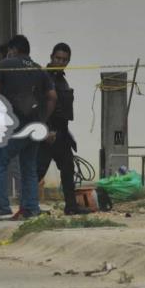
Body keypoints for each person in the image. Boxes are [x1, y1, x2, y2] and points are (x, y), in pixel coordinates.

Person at [0, 35, 56, 220]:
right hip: (35, 125)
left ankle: (2, 207)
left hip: (13, 124)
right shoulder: (39, 70)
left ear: (13, 49)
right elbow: (52, 96)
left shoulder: (6, 65)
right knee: (29, 167)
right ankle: (30, 208)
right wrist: (42, 119)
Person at [37, 43, 90, 215]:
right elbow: (38, 106)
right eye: (58, 58)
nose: (60, 62)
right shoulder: (43, 77)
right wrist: (45, 129)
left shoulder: (61, 79)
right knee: (38, 171)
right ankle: (28, 207)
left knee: (68, 170)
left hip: (62, 132)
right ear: (51, 57)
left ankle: (71, 207)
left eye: (64, 60)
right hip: (47, 132)